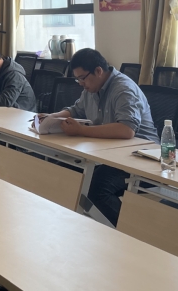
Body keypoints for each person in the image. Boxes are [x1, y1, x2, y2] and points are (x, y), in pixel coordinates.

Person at [38, 48, 158, 227]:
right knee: (64, 170)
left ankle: (133, 232)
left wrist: (81, 131)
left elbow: (127, 130)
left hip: (141, 157)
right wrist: (52, 117)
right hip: (111, 152)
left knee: (96, 188)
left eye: (82, 78)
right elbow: (76, 110)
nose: (81, 84)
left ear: (98, 71)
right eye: (77, 79)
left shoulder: (123, 89)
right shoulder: (91, 88)